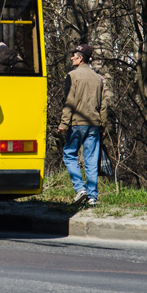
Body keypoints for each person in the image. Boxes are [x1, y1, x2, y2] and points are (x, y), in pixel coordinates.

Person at [57, 43, 106, 206]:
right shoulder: (98, 78)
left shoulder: (72, 76)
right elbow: (103, 105)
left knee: (69, 154)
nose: (71, 57)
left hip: (77, 123)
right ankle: (92, 197)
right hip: (94, 124)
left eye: (74, 55)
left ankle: (80, 188)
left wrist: (64, 123)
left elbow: (69, 101)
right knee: (91, 160)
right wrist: (103, 125)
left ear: (80, 58)